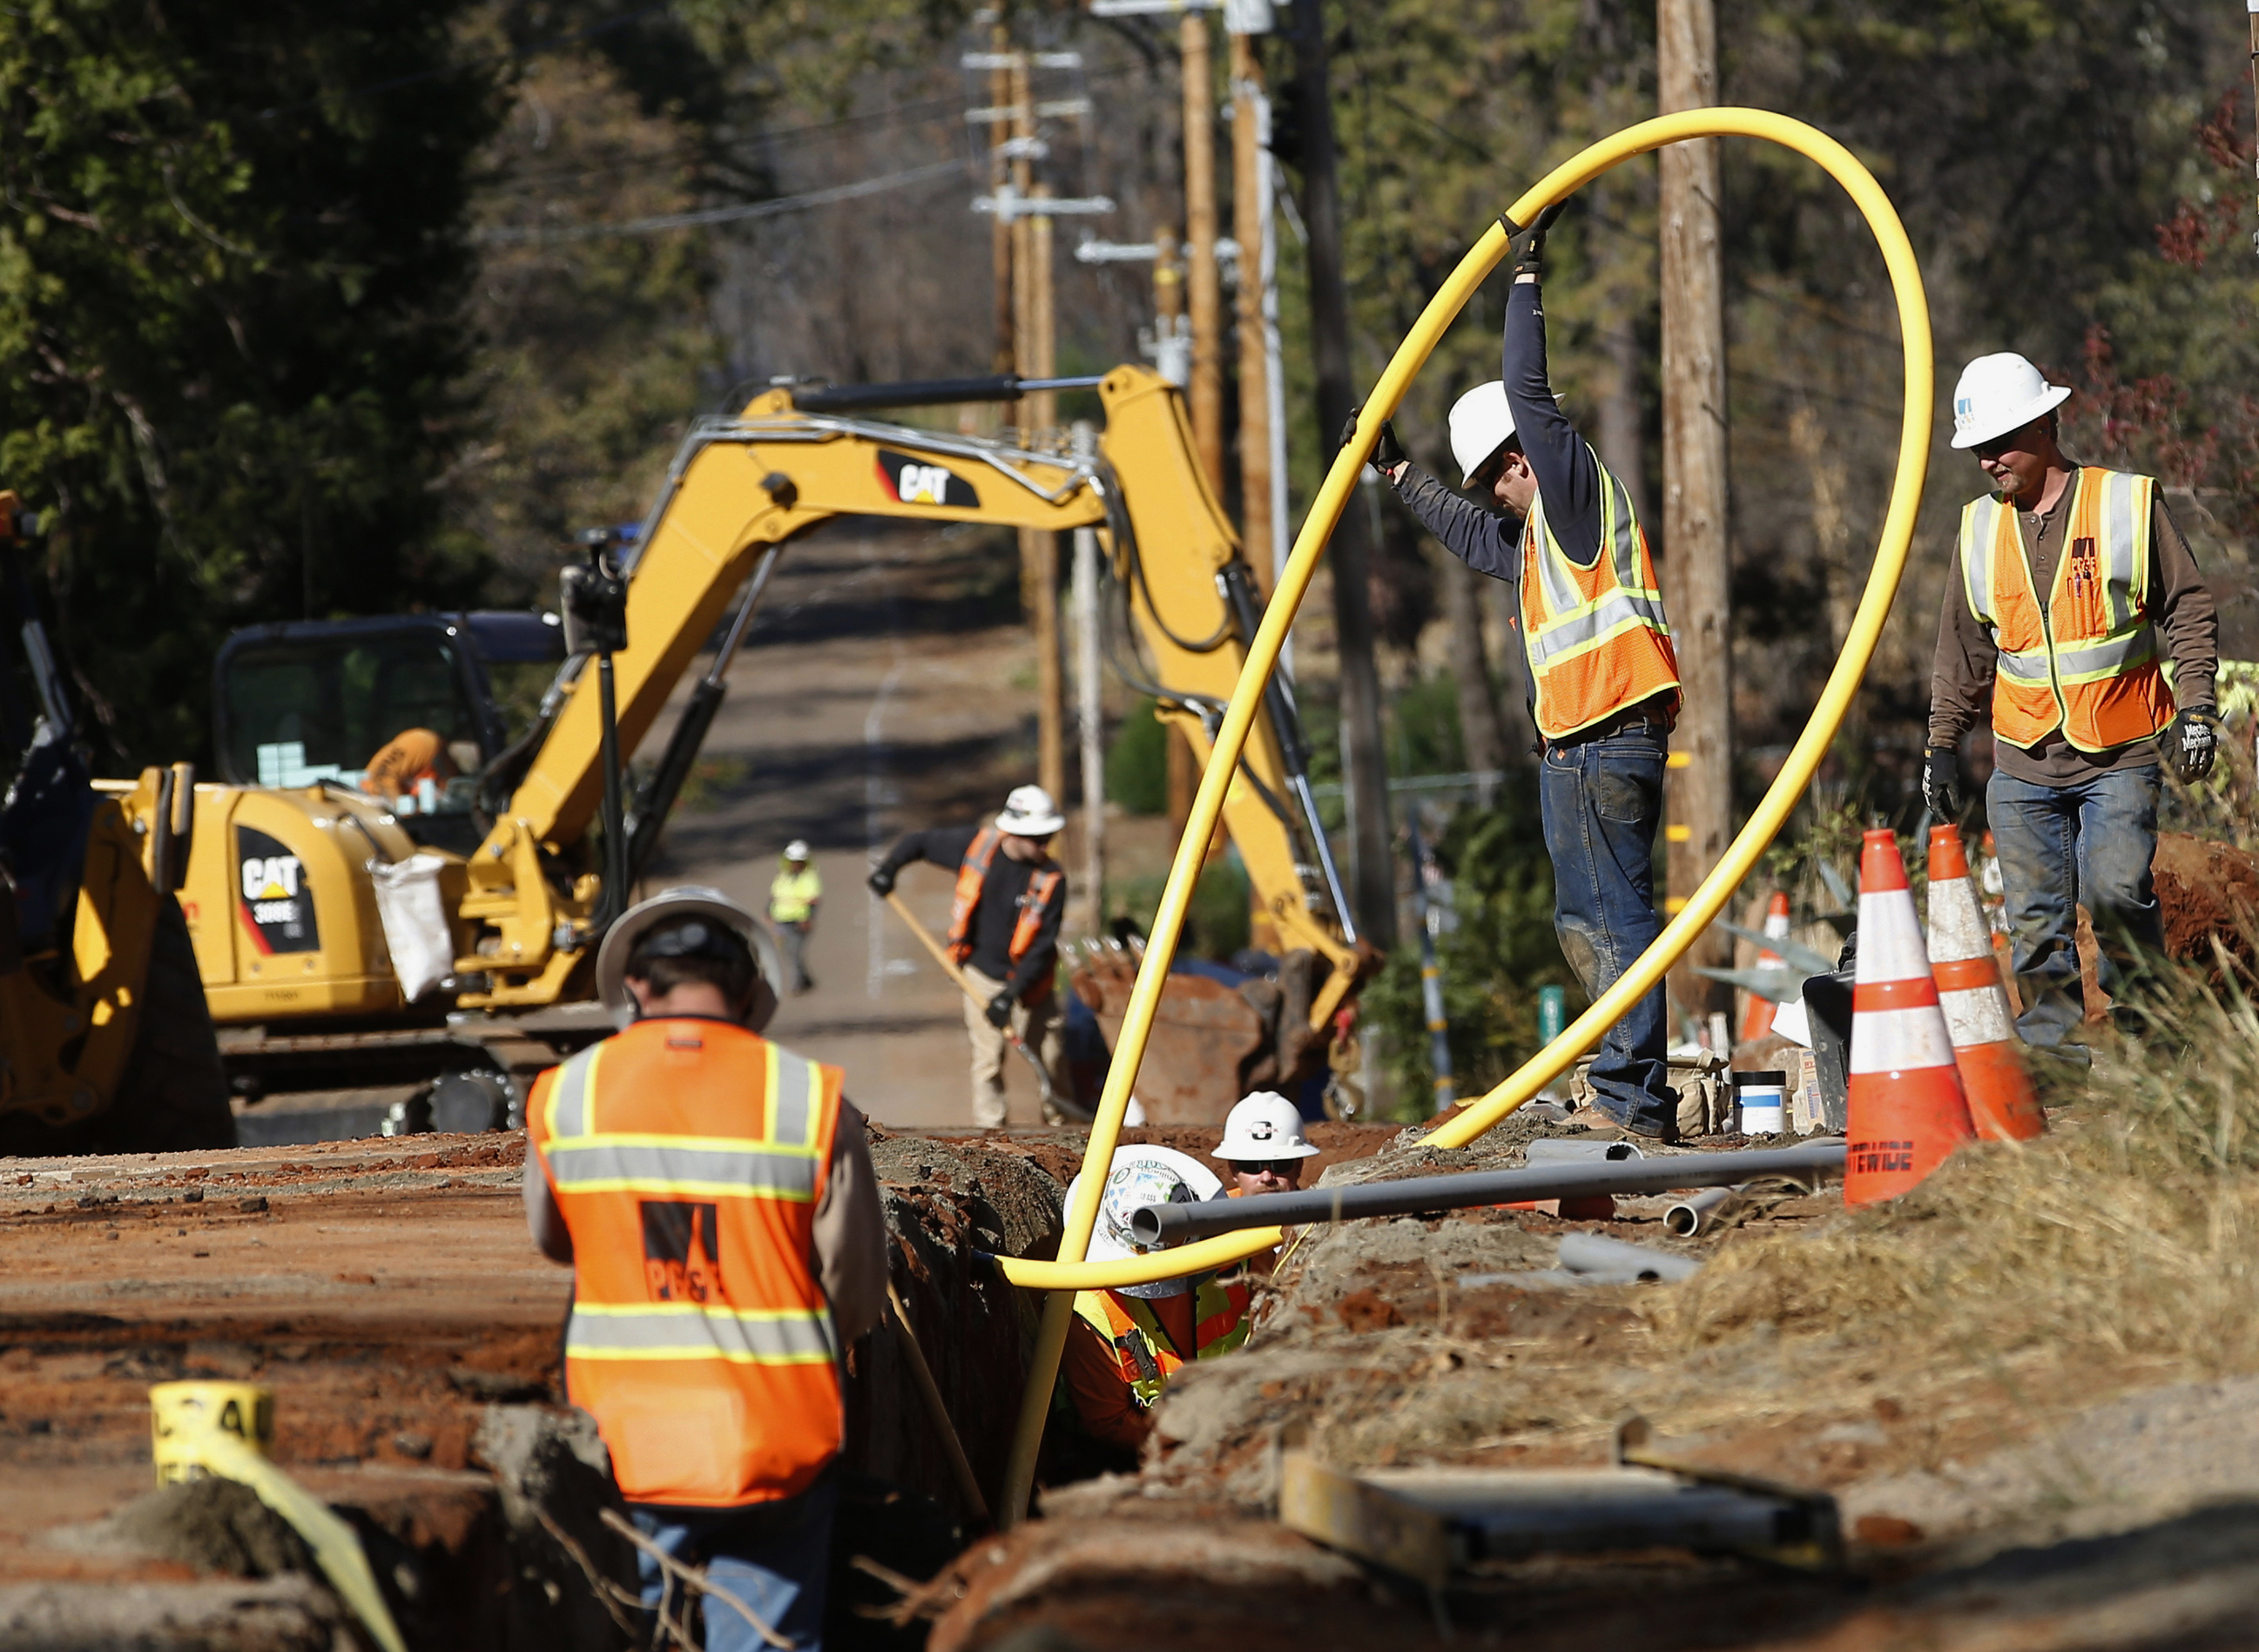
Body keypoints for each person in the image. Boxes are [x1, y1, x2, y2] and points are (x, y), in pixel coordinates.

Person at [1358, 214, 1681, 1137]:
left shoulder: (1571, 496)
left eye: (1488, 480)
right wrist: (1393, 473)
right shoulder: (1541, 539)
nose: (1487, 498)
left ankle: (1630, 1104)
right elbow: (1469, 538)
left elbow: (1526, 393)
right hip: (1580, 749)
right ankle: (1627, 1094)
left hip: (1605, 737)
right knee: (1587, 922)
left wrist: (1524, 280)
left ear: (1515, 463)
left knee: (1610, 923)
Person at [523, 886, 887, 1652]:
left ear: (636, 986)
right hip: (775, 1437)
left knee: (630, 1630)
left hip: (622, 1442)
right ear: (750, 988)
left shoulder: (567, 1094)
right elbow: (853, 1287)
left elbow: (554, 1239)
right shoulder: (812, 1100)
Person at [1924, 354, 2218, 1065]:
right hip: (2023, 760)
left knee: (2117, 895)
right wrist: (1941, 744)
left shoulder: (2125, 504)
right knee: (2033, 925)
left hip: (2121, 749)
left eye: (2000, 443)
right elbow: (1962, 648)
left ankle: (2153, 1043)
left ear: (2045, 423)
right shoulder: (1977, 531)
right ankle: (2056, 1070)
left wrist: (2198, 709)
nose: (1989, 461)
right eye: (1979, 449)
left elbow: (2188, 606)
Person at [867, 784, 1069, 1129]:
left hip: (1031, 983)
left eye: (1048, 836)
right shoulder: (977, 847)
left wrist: (1011, 995)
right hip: (980, 975)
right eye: (1038, 838)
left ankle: (1063, 1127)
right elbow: (918, 842)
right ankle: (991, 1131)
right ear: (1014, 833)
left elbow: (1041, 948)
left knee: (1051, 1058)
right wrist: (890, 869)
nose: (1045, 845)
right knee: (988, 1060)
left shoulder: (1052, 880)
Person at [1054, 1145, 1250, 1469]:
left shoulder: (1239, 1246)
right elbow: (1109, 1422)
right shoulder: (1089, 1314)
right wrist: (1201, 1445)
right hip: (1153, 1458)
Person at [1213, 1090, 1318, 1198]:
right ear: (1234, 1170)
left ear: (1298, 1168)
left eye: (1279, 1165)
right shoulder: (1212, 1213)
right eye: (1252, 1166)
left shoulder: (1325, 1213)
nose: (1267, 1178)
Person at [768, 840, 822, 995]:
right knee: (787, 951)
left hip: (800, 921)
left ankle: (798, 983)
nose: (795, 864)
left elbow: (814, 900)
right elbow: (774, 896)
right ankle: (805, 978)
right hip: (782, 919)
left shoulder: (810, 877)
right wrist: (769, 913)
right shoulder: (783, 877)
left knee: (795, 952)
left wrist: (808, 919)